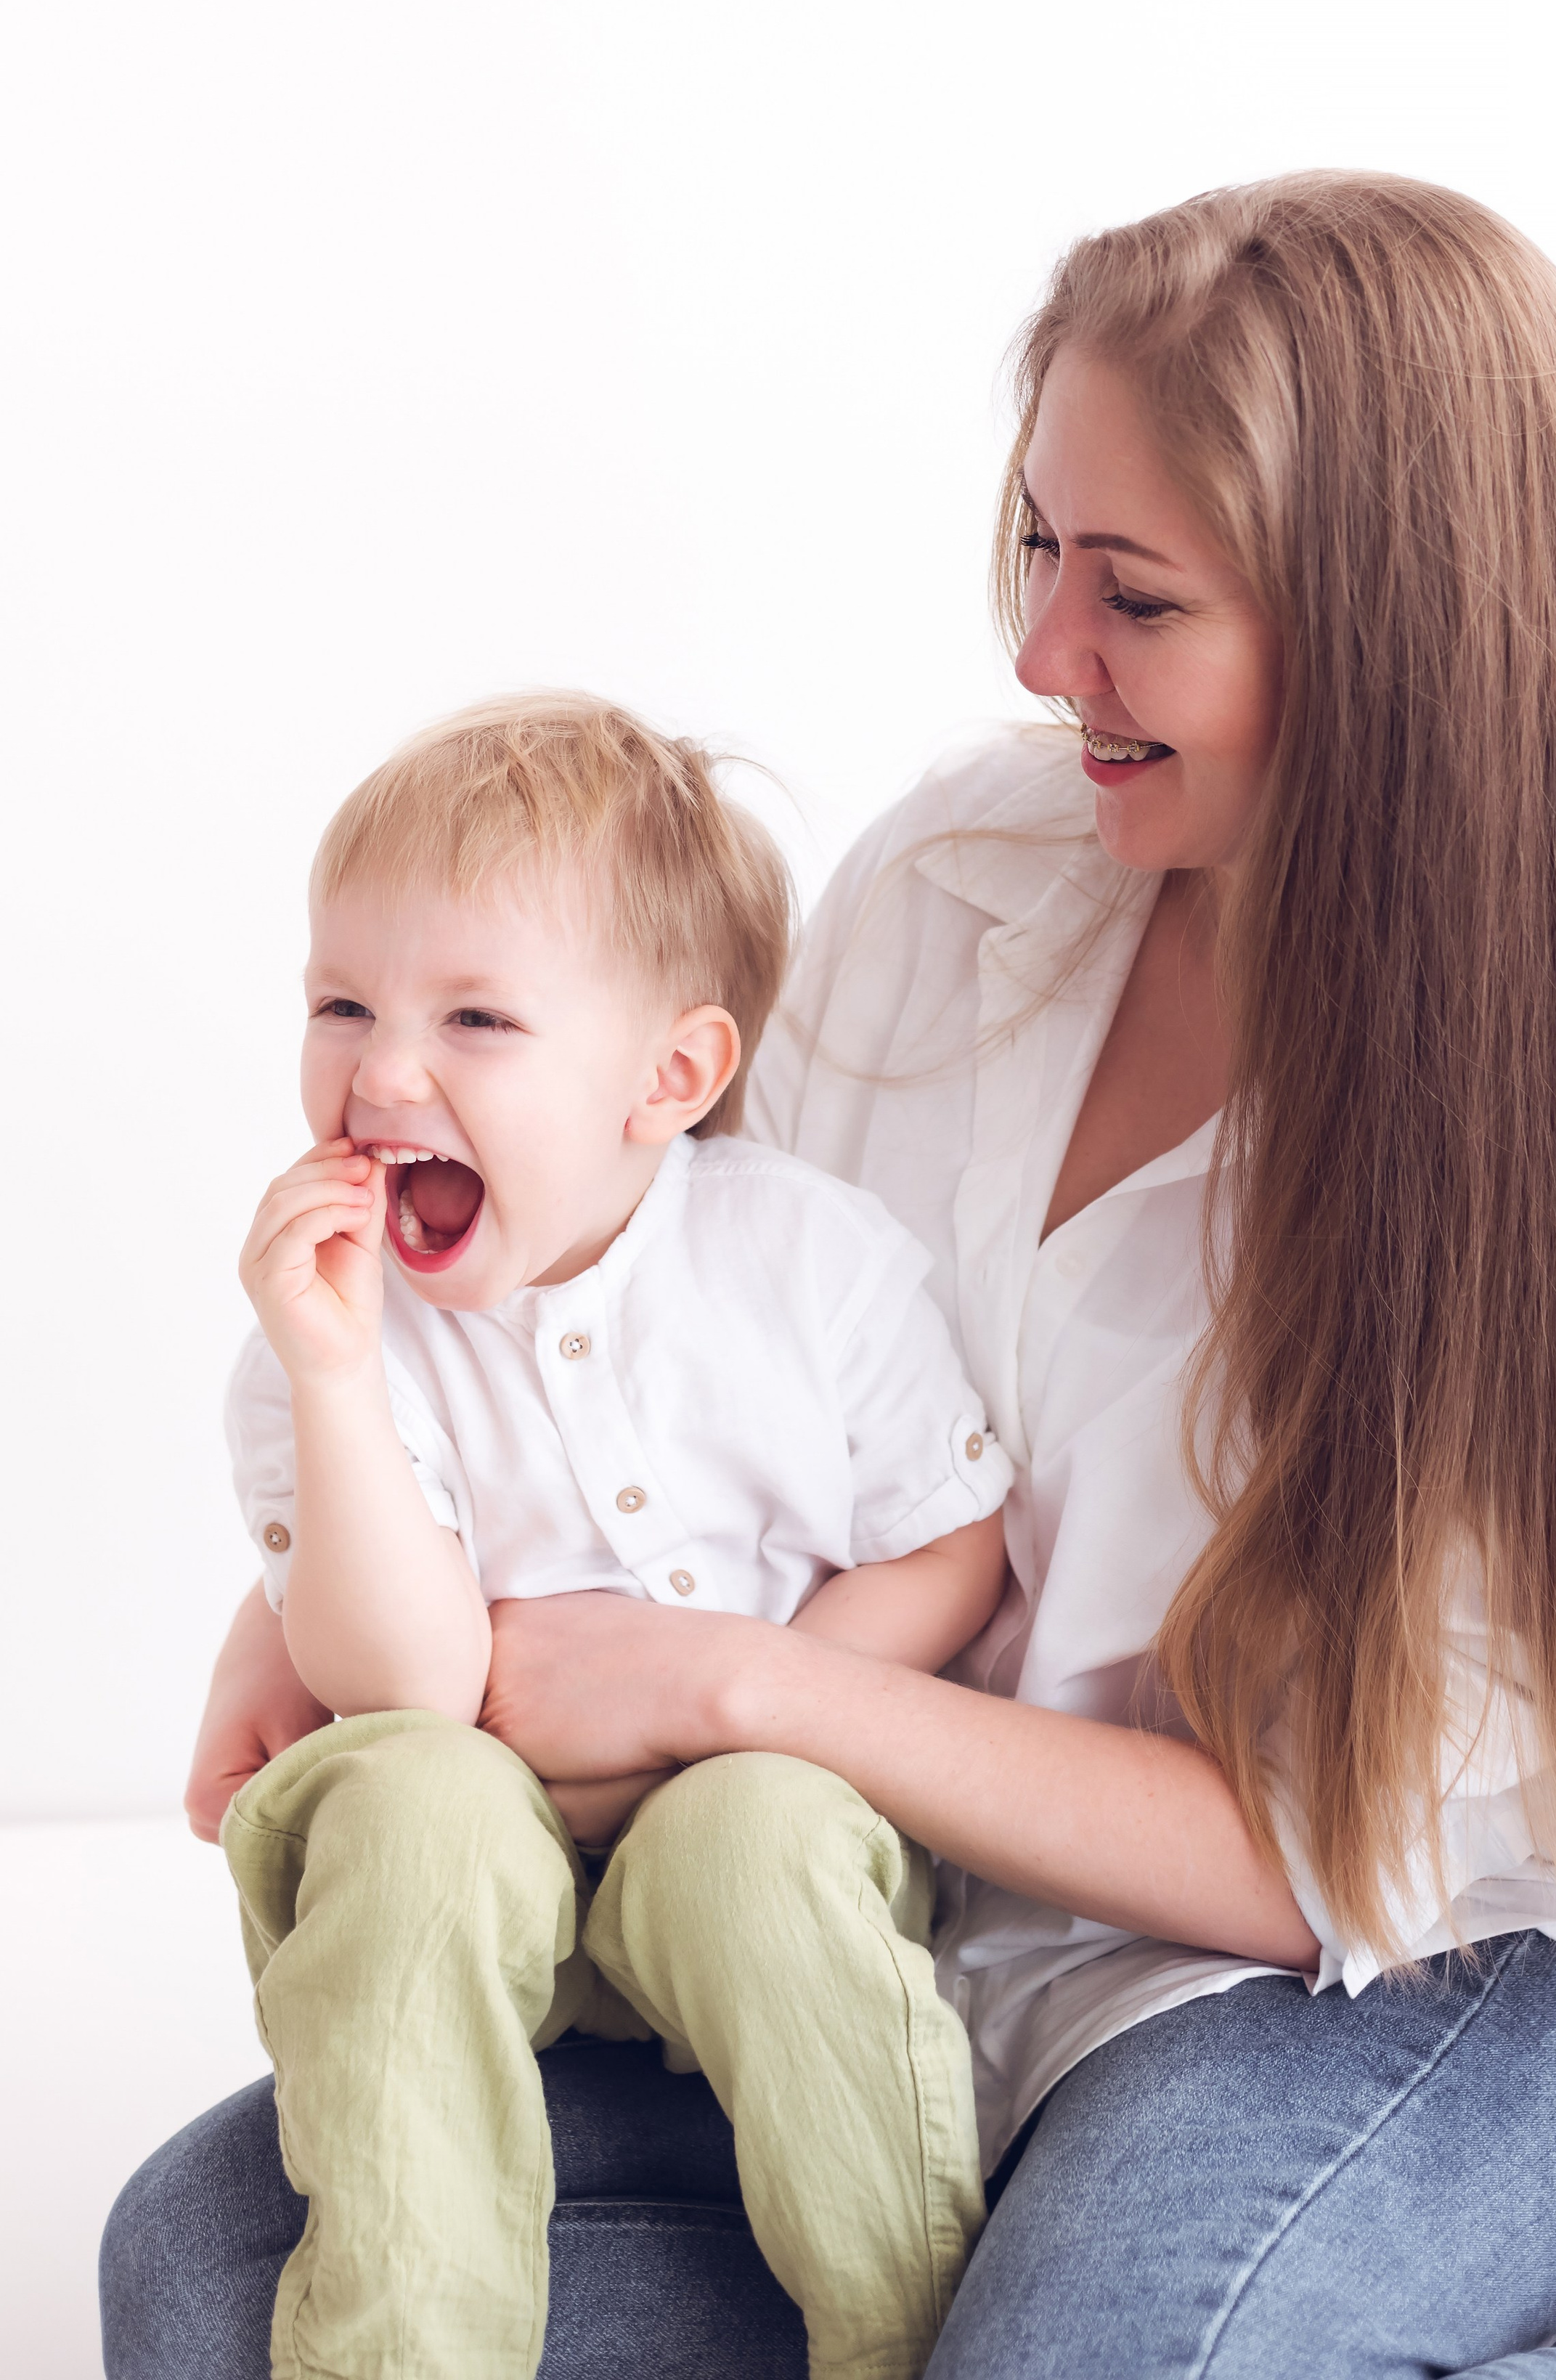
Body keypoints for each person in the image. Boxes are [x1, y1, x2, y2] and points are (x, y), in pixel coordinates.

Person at [103, 174, 1556, 2379]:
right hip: (890, 1958)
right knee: (207, 2279)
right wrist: (326, 1554)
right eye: (1040, 550)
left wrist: (741, 1690)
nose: (1044, 656)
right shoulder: (963, 881)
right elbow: (697, 1342)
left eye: (1136, 596)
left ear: (1392, 631)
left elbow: (1324, 1871)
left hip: (1365, 2010)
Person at [208, 693, 1024, 2380]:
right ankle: (404, 2352)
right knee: (417, 1819)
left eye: (475, 1017)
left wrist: (738, 1696)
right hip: (470, 1827)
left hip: (745, 1825)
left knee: (760, 1844)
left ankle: (917, 2339)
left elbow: (951, 1544)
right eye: (340, 1002)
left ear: (669, 1076)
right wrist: (339, 1376)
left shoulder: (808, 1260)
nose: (378, 1072)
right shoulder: (323, 1346)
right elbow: (410, 1687)